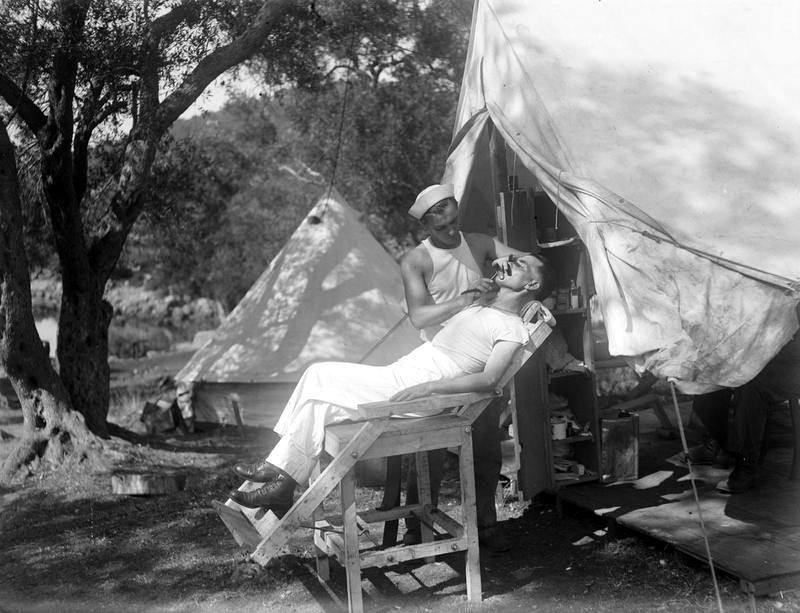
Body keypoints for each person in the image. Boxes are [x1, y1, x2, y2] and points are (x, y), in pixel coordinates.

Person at [228, 254, 554, 514]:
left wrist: (430, 389)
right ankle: (283, 482)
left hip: (424, 385)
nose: (510, 262)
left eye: (521, 263)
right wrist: (495, 278)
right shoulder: (484, 306)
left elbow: (489, 380)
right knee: (317, 391)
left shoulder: (512, 328)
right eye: (511, 258)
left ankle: (280, 476)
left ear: (533, 283)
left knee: (317, 376)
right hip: (406, 371)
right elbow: (497, 278)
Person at [399, 183, 529, 552]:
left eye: (455, 221)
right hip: (440, 360)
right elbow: (418, 316)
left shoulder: (478, 242)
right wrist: (464, 300)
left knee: (486, 448)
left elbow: (524, 262)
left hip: (478, 360)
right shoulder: (417, 259)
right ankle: (417, 526)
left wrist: (509, 271)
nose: (453, 231)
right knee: (428, 451)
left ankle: (485, 525)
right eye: (442, 228)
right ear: (426, 227)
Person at [686, 330, 800, 493]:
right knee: (713, 372)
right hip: (766, 347)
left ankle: (747, 466)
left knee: (754, 389)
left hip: (794, 360)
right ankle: (722, 444)